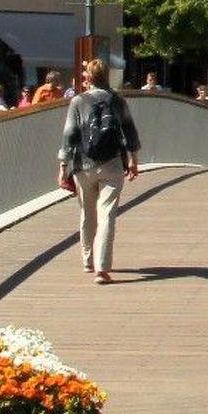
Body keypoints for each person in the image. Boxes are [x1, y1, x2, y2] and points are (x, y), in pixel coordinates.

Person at [57, 58, 140, 284]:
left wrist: (63, 165)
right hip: (112, 164)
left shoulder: (78, 101)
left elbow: (69, 134)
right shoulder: (118, 101)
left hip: (84, 165)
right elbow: (130, 132)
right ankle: (102, 269)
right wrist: (133, 159)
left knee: (87, 212)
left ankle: (88, 260)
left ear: (88, 77)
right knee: (107, 215)